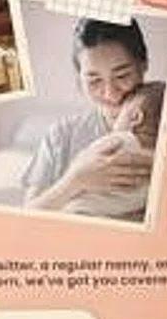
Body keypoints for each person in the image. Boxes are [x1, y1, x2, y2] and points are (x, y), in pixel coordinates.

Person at [23, 18, 157, 213]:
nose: (110, 93)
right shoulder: (61, 136)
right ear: (79, 80)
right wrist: (75, 180)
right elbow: (27, 216)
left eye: (122, 76)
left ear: (143, 64)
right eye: (94, 81)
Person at [62, 81, 166, 221]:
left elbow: (82, 162)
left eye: (119, 115)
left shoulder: (119, 141)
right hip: (113, 218)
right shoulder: (159, 163)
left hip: (79, 211)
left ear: (136, 117)